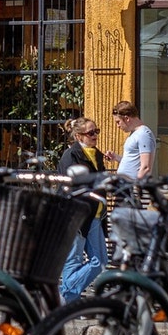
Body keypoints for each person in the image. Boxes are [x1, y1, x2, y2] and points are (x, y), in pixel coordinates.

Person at [56, 118, 109, 299]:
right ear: (78, 136)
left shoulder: (97, 154)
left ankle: (66, 294)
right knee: (74, 260)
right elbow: (73, 184)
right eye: (90, 133)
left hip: (95, 215)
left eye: (96, 131)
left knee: (100, 261)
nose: (95, 136)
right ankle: (69, 299)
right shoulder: (70, 155)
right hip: (75, 214)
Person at [113, 101, 154, 179]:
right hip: (125, 186)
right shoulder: (135, 133)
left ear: (127, 118)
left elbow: (146, 167)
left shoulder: (144, 134)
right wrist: (116, 157)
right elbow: (131, 162)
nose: (118, 126)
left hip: (132, 187)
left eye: (118, 122)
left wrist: (136, 186)